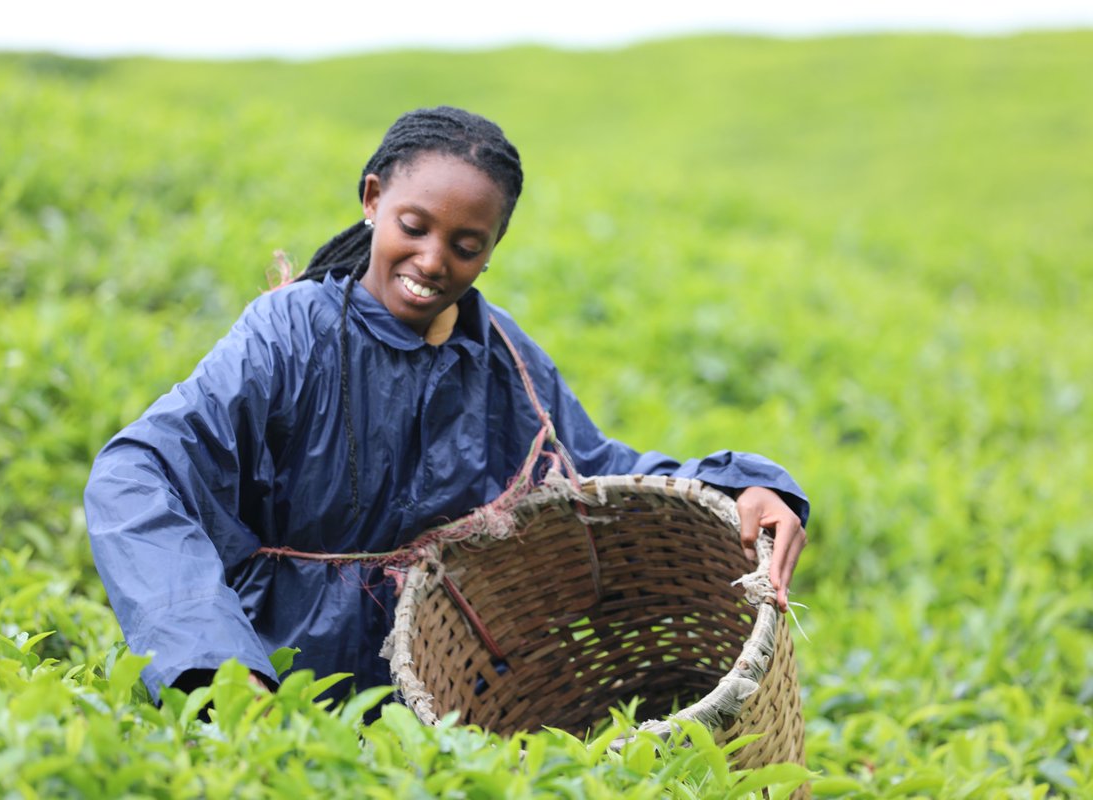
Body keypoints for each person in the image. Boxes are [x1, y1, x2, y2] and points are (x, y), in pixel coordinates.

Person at [84, 106, 809, 703]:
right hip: (278, 684)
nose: (434, 262)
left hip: (441, 703)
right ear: (373, 201)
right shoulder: (291, 332)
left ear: (492, 251)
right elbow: (138, 473)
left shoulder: (500, 355)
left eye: (466, 244)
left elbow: (591, 472)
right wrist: (217, 664)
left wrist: (746, 483)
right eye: (414, 227)